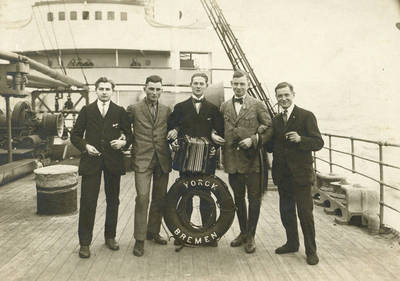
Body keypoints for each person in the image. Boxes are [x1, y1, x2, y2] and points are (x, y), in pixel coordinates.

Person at [70, 77, 132, 259]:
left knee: (113, 201)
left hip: (113, 162)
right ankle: (85, 243)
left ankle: (110, 237)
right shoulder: (87, 111)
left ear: (112, 91)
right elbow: (75, 135)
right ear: (95, 91)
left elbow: (129, 135)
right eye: (101, 89)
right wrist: (85, 146)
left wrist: (123, 142)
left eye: (107, 89)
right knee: (88, 201)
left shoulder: (120, 112)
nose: (104, 92)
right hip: (91, 162)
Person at [167, 72, 224, 246]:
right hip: (186, 159)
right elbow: (170, 131)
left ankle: (209, 233)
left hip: (207, 160)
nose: (198, 86)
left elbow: (220, 133)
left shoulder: (214, 109)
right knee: (185, 194)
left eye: (201, 83)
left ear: (206, 85)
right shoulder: (180, 107)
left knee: (206, 194)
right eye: (195, 83)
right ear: (190, 85)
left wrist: (215, 148)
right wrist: (174, 137)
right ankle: (183, 233)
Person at [269, 82, 324, 265]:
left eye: (286, 95)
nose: (283, 99)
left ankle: (311, 251)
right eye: (279, 96)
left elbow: (318, 142)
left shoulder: (306, 116)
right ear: (276, 98)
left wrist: (301, 139)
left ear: (293, 94)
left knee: (305, 214)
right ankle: (292, 243)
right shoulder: (276, 120)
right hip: (282, 175)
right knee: (286, 212)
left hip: (301, 175)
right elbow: (271, 147)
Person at [220, 69, 272, 254]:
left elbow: (269, 127)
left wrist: (254, 140)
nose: (239, 87)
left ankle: (251, 236)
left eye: (242, 84)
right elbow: (219, 129)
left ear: (248, 84)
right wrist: (213, 135)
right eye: (236, 84)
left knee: (254, 199)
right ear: (231, 84)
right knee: (239, 199)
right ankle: (242, 232)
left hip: (252, 162)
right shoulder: (225, 106)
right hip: (233, 162)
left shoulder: (257, 105)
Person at [126, 75, 171, 257]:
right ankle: (139, 239)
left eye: (158, 89)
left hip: (162, 160)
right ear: (145, 88)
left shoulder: (167, 110)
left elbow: (173, 129)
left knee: (159, 198)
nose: (154, 92)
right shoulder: (134, 109)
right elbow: (122, 128)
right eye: (151, 89)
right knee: (142, 198)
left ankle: (153, 232)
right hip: (142, 160)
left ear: (162, 90)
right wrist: (123, 140)